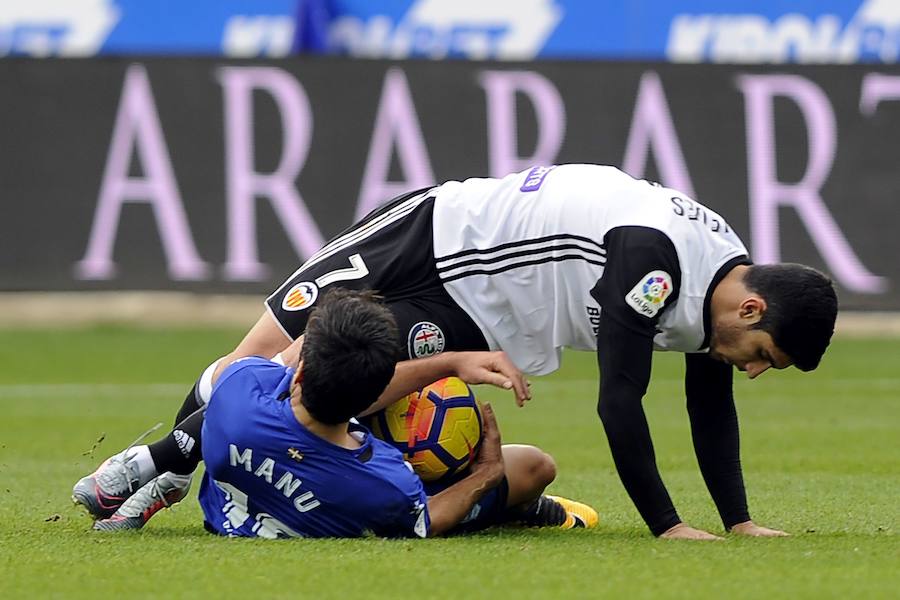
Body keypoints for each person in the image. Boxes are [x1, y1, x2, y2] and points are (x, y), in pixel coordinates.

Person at [76, 164, 837, 539]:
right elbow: (620, 399)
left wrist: (737, 522)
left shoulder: (726, 272)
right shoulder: (655, 261)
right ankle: (164, 469)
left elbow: (710, 405)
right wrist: (669, 527)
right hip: (434, 235)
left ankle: (196, 476)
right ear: (752, 305)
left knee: (353, 387)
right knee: (269, 354)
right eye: (765, 351)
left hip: (477, 314)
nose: (756, 367)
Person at [83, 289, 598, 536]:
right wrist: (484, 474)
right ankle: (519, 509)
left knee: (223, 374)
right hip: (339, 488)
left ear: (300, 374)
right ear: (370, 401)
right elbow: (427, 519)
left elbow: (246, 376)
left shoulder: (239, 398)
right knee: (534, 467)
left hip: (226, 509)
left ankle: (161, 466)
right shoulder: (385, 479)